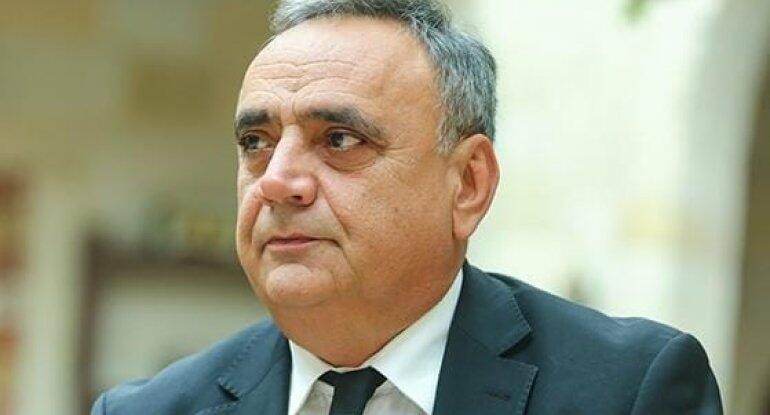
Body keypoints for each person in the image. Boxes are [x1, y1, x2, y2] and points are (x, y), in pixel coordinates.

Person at [91, 0, 723, 414]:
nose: (277, 181)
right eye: (256, 142)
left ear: (468, 184)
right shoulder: (147, 410)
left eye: (340, 140)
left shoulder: (628, 391)